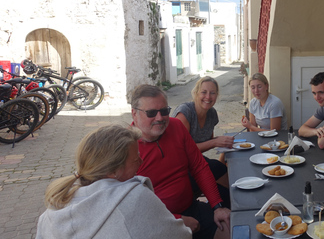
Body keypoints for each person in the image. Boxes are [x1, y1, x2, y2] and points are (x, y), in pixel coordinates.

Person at [36, 124, 191, 239]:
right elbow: (180, 235)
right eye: (136, 159)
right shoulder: (135, 197)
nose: (141, 162)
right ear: (113, 171)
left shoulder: (51, 212)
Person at [131, 84, 230, 239]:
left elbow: (199, 166)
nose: (160, 118)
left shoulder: (175, 126)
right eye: (151, 113)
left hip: (191, 207)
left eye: (164, 111)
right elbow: (131, 206)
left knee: (233, 228)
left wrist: (217, 206)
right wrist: (177, 219)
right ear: (134, 114)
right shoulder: (127, 147)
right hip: (157, 223)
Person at [172, 76, 231, 207]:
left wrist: (223, 141)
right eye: (204, 92)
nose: (208, 97)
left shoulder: (212, 114)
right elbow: (181, 150)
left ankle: (222, 208)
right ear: (196, 93)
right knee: (218, 172)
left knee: (223, 175)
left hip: (195, 161)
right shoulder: (185, 113)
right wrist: (215, 143)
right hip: (179, 166)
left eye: (212, 93)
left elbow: (208, 141)